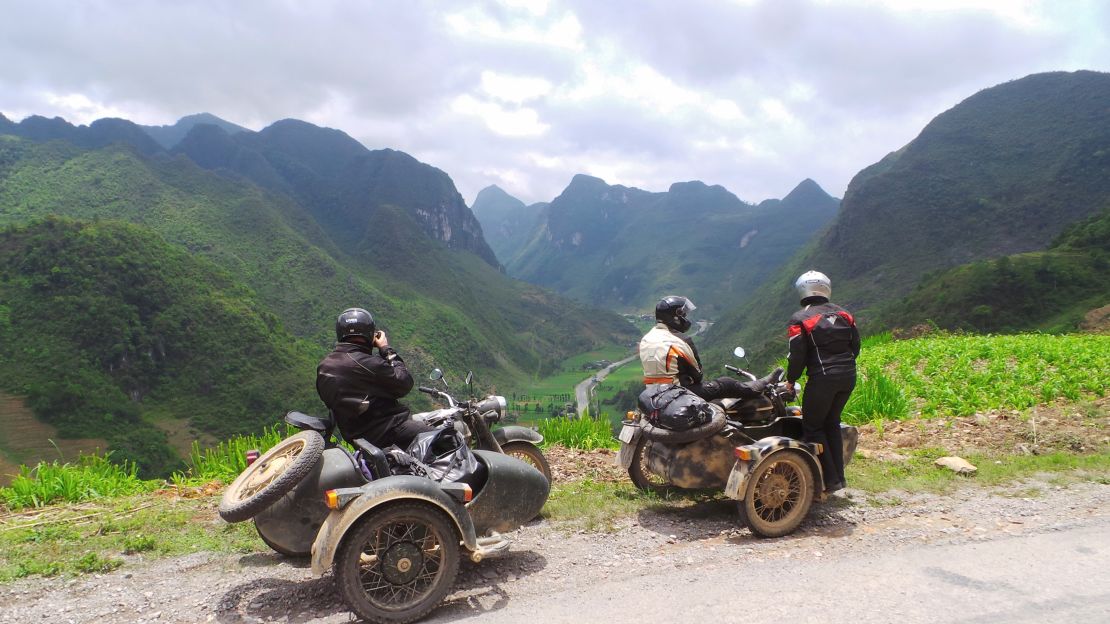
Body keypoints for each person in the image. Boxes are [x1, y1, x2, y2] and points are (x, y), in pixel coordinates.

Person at [785, 271, 860, 494]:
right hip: (848, 377)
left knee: (813, 428)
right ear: (826, 288)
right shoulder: (845, 314)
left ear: (802, 290)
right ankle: (839, 479)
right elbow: (855, 346)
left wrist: (791, 380)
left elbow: (797, 355)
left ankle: (827, 481)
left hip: (822, 379)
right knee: (832, 424)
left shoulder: (800, 319)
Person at [316, 307, 434, 448]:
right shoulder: (369, 364)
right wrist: (385, 349)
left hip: (358, 439)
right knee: (448, 437)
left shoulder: (324, 366)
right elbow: (404, 383)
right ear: (370, 334)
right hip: (388, 432)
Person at [639, 295, 766, 400]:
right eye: (684, 314)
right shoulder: (680, 340)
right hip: (676, 396)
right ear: (676, 316)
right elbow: (698, 375)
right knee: (726, 383)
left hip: (652, 396)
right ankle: (760, 387)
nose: (685, 318)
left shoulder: (646, 339)